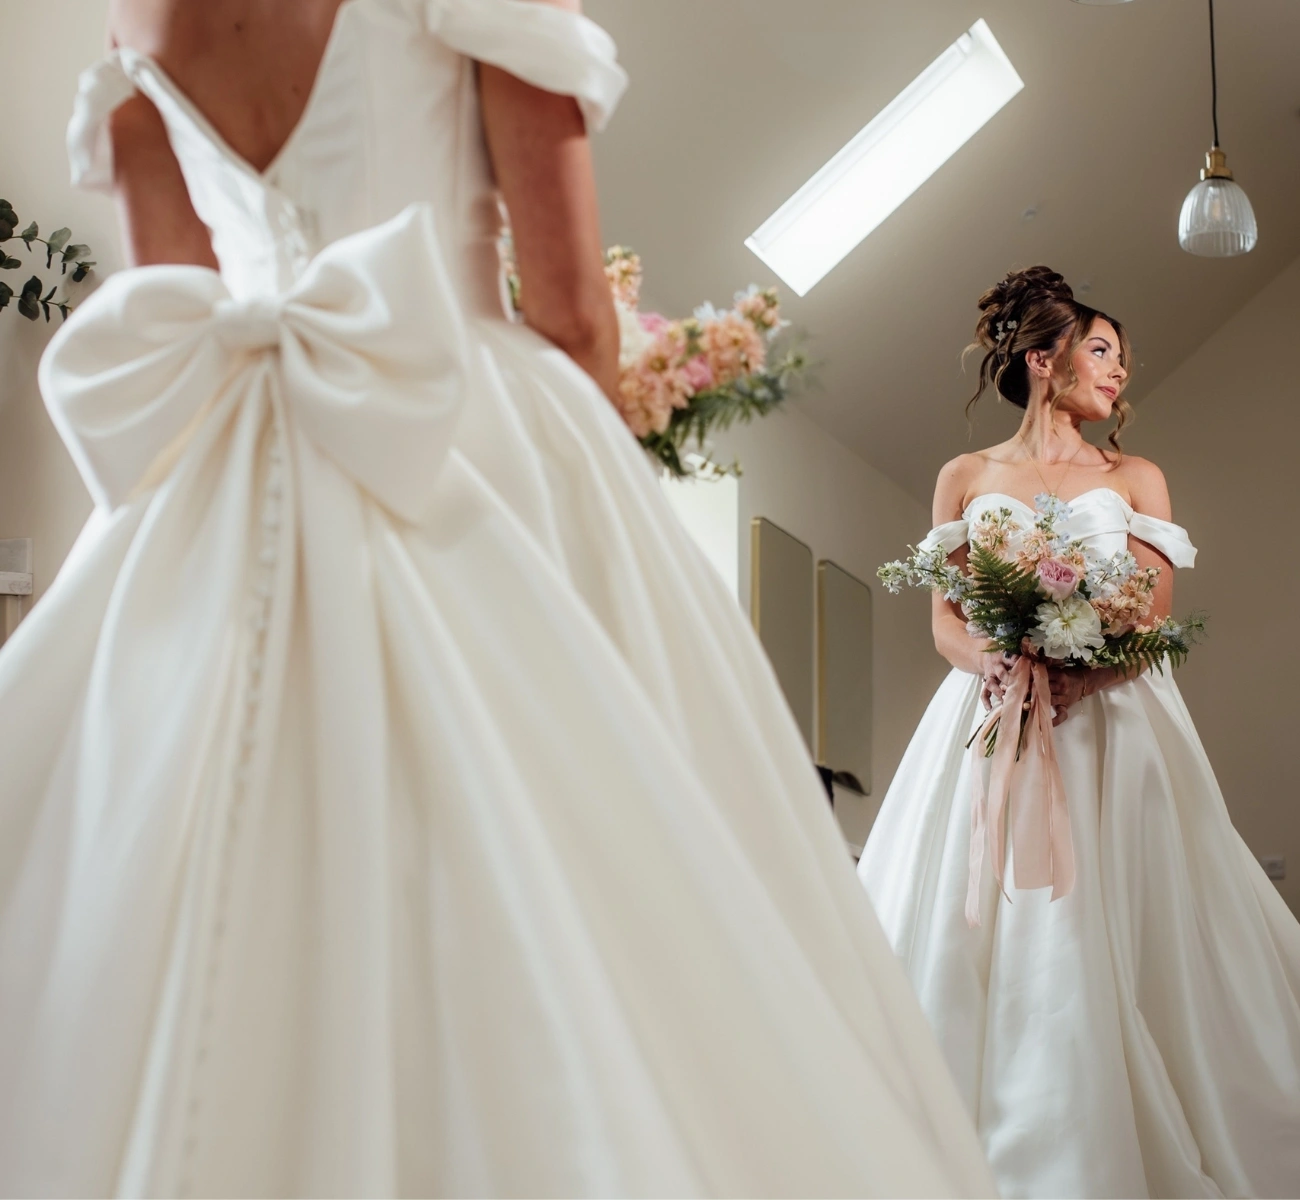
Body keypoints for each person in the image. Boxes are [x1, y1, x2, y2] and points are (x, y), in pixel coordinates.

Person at [0, 1, 997, 1194]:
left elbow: (180, 309)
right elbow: (574, 312)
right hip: (463, 416)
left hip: (230, 460)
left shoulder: (137, 19)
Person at [858, 264, 1300, 1198]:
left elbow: (1155, 613)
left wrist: (1078, 675)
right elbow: (944, 619)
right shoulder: (965, 475)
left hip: (1116, 728)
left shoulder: (1134, 475)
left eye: (1123, 360)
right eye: (1101, 351)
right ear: (1043, 355)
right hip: (991, 718)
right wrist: (1003, 668)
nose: (1118, 374)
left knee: (1128, 910)